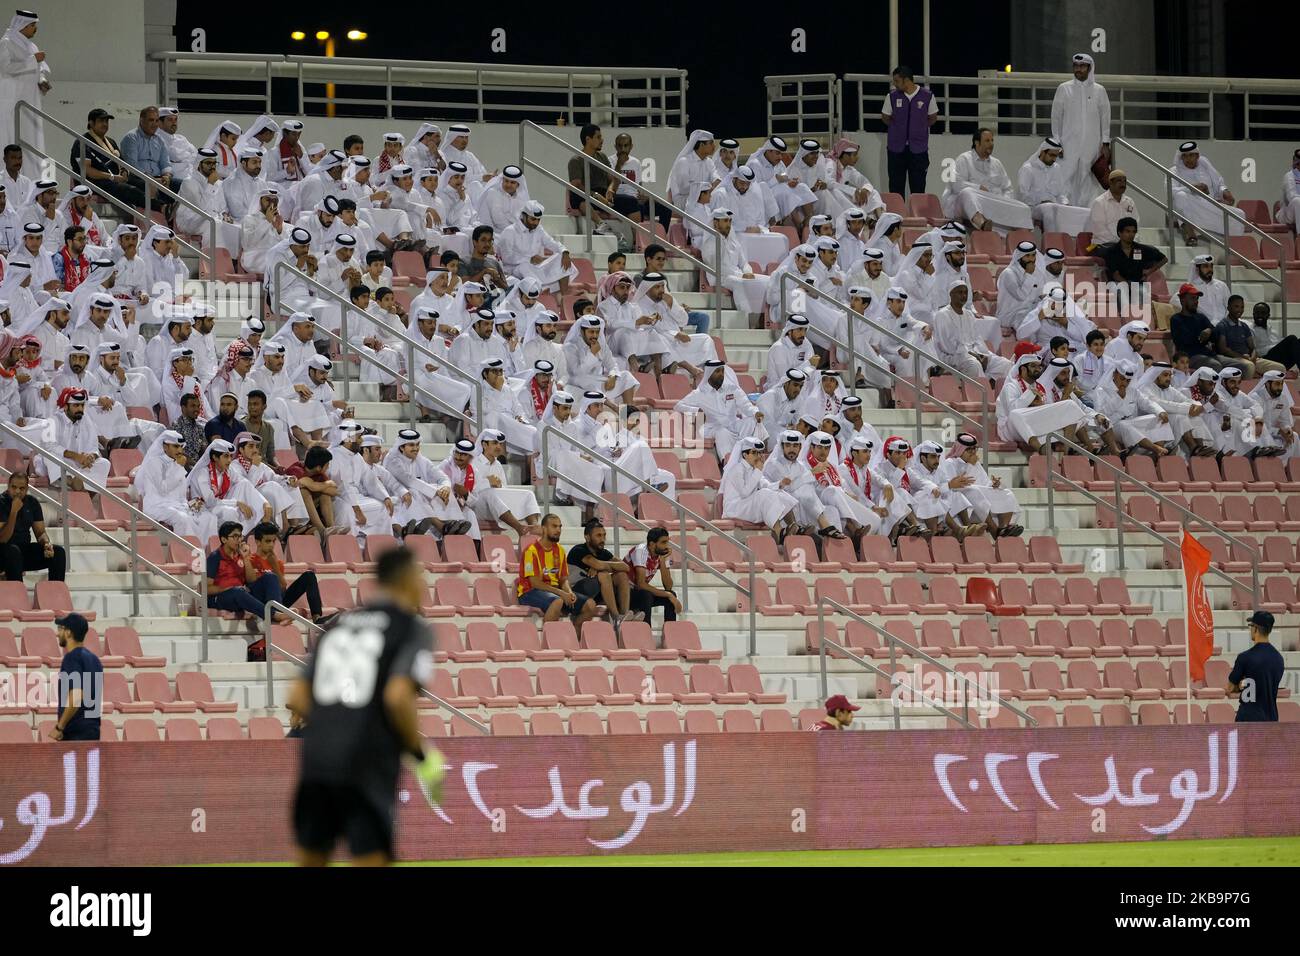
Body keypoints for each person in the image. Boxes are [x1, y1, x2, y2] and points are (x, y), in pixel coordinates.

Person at [289, 546, 444, 866]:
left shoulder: (339, 625)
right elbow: (398, 696)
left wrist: (334, 724)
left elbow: (298, 698)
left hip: (318, 758)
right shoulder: (412, 629)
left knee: (311, 858)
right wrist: (419, 754)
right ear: (408, 579)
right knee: (370, 858)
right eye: (421, 575)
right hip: (366, 759)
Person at [941, 128, 1031, 234]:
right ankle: (982, 224)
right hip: (964, 204)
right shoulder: (964, 159)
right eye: (987, 141)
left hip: (991, 202)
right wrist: (978, 188)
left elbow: (1008, 188)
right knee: (968, 192)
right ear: (977, 143)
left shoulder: (997, 163)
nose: (991, 144)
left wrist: (1004, 201)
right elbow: (956, 185)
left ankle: (1022, 240)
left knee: (1024, 208)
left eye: (992, 140)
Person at [1050, 53, 1111, 207]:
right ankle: (1066, 216)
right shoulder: (1064, 89)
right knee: (1065, 178)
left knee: (1088, 182)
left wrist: (1105, 143)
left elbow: (1105, 117)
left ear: (1089, 68)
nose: (1078, 69)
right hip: (1068, 144)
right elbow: (1056, 117)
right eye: (1076, 66)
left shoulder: (1099, 90)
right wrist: (1056, 142)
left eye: (1082, 66)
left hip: (1092, 145)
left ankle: (1087, 221)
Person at [516, 513, 595, 624]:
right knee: (558, 601)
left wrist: (569, 592)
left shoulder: (560, 550)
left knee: (590, 605)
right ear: (544, 528)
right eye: (554, 526)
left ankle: (575, 634)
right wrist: (561, 594)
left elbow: (563, 579)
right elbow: (535, 583)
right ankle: (549, 639)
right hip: (529, 592)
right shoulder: (531, 551)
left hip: (554, 591)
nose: (558, 530)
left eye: (560, 526)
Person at [248, 521, 326, 633]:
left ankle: (317, 618)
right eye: (267, 541)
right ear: (258, 542)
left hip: (278, 600)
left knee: (309, 575)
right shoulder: (250, 560)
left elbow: (283, 587)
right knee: (269, 577)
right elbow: (251, 585)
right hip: (261, 602)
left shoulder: (277, 562)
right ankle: (274, 615)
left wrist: (275, 566)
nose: (271, 545)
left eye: (273, 541)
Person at [0, 11, 49, 178]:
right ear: (23, 25)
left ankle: (33, 179)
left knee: (31, 139)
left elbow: (41, 67)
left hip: (31, 101)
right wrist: (32, 60)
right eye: (32, 25)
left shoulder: (31, 46)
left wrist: (42, 80)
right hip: (12, 101)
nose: (35, 29)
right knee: (12, 137)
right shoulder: (6, 43)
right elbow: (6, 68)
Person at [1170, 141, 1247, 245]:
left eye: (1191, 155)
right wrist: (1193, 188)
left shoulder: (1204, 164)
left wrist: (1225, 191)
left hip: (1209, 203)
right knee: (1180, 196)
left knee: (1240, 214)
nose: (1188, 159)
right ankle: (1190, 233)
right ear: (1181, 157)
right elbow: (1171, 190)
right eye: (1185, 156)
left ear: (1197, 155)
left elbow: (1218, 181)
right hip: (1190, 204)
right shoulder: (1174, 171)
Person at [567, 518, 637, 625]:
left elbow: (625, 567)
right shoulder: (578, 550)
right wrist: (600, 566)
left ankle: (624, 615)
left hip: (596, 591)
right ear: (587, 537)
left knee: (622, 575)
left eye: (604, 535)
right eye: (598, 535)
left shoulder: (603, 553)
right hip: (576, 591)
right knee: (604, 575)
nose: (603, 539)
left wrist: (600, 566)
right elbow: (597, 564)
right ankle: (615, 617)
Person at [881, 66, 936, 198]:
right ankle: (896, 217)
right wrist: (898, 129)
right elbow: (885, 117)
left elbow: (932, 118)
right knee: (895, 187)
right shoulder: (892, 96)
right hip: (896, 149)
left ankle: (916, 217)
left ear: (906, 80)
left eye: (897, 81)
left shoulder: (927, 96)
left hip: (919, 150)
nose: (894, 84)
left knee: (918, 188)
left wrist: (918, 129)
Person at [1017, 137, 1091, 235]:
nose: (1054, 159)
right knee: (1048, 209)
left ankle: (1069, 242)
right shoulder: (1028, 169)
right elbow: (1023, 195)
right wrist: (1042, 200)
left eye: (1056, 156)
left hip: (1054, 206)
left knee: (1081, 212)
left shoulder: (1056, 168)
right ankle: (1052, 242)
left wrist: (1065, 204)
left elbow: (1061, 194)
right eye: (1051, 155)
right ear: (1042, 152)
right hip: (1032, 208)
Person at [0, 470, 64, 582]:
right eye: (13, 487)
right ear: (8, 486)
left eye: (21, 488)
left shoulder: (32, 502)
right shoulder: (2, 502)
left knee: (58, 553)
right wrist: (13, 512)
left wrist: (46, 544)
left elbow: (40, 533)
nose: (17, 491)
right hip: (3, 552)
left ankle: (55, 594)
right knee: (13, 551)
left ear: (27, 488)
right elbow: (3, 539)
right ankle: (17, 595)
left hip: (23, 550)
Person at [51, 612, 101, 742]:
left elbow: (76, 696)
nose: (58, 633)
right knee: (91, 763)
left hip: (75, 733)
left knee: (71, 763)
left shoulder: (72, 658)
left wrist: (59, 727)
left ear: (69, 633)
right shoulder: (94, 659)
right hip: (93, 731)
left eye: (60, 629)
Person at [1226, 611, 1284, 722]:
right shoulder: (1279, 659)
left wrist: (1240, 684)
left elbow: (1230, 687)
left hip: (1248, 718)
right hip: (1270, 718)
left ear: (1255, 629)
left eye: (1251, 626)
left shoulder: (1245, 657)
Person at [1215, 294, 1285, 380]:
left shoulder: (1244, 326)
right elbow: (1223, 349)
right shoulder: (1222, 325)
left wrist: (1253, 358)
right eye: (1236, 306)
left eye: (1242, 307)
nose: (1240, 310)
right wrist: (1242, 357)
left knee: (1280, 368)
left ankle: (1261, 378)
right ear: (1228, 308)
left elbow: (1253, 347)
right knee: (1249, 367)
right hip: (1233, 359)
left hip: (1250, 359)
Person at [625, 526, 680, 625]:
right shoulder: (641, 551)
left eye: (667, 542)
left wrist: (663, 560)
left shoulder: (661, 555)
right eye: (663, 542)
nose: (666, 546)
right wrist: (668, 594)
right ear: (651, 544)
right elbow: (641, 584)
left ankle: (669, 633)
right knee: (647, 594)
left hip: (639, 593)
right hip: (624, 594)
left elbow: (668, 586)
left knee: (671, 594)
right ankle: (646, 631)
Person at [1169, 284, 1223, 372]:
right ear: (1182, 300)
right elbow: (1183, 342)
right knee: (1215, 365)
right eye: (1192, 298)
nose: (1196, 301)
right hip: (1190, 357)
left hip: (1208, 354)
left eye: (1197, 298)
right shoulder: (1176, 319)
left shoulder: (1201, 317)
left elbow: (1216, 335)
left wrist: (1209, 330)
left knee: (1244, 366)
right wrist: (1204, 335)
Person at [1087, 169, 1137, 247]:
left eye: (1124, 181)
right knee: (1119, 254)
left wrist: (1133, 241)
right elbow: (1100, 231)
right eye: (1119, 181)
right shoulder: (1099, 202)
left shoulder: (1130, 202)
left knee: (1152, 252)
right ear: (1110, 182)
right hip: (1103, 245)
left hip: (1126, 245)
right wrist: (1121, 243)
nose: (1123, 184)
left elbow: (1136, 224)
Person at [1280, 148, 1300, 233]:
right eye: (1298, 163)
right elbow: (1291, 197)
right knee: (1297, 201)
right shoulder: (1289, 176)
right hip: (1288, 213)